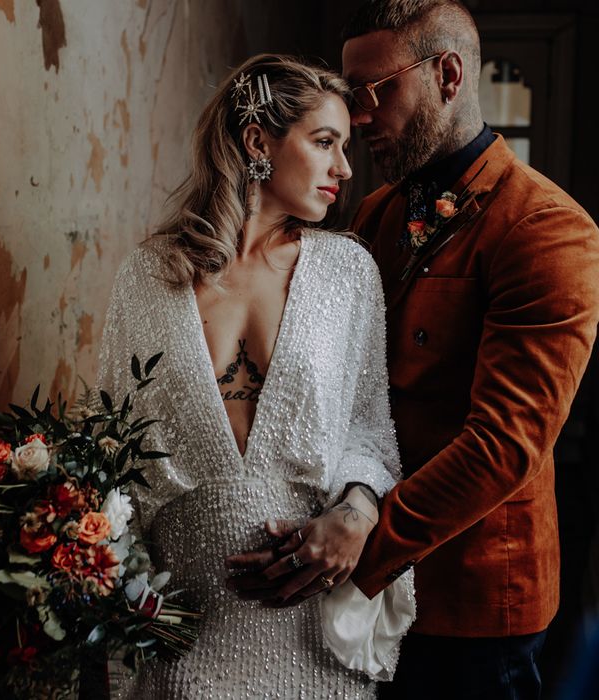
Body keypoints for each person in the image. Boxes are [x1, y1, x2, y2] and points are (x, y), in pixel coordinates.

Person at [227, 2, 599, 698]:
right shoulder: (378, 212)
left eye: (374, 92)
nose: (356, 116)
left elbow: (503, 446)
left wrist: (360, 535)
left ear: (448, 74)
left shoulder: (548, 229)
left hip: (473, 607)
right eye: (350, 94)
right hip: (361, 590)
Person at [97, 54, 413, 699]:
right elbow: (112, 448)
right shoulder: (150, 274)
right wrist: (116, 595)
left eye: (345, 147)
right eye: (324, 142)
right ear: (256, 141)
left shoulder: (347, 273)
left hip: (307, 618)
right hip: (180, 617)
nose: (343, 169)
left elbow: (369, 432)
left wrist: (354, 515)